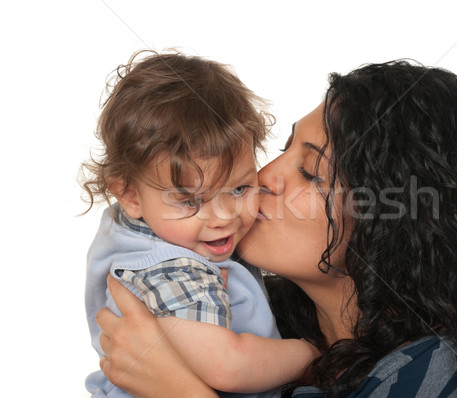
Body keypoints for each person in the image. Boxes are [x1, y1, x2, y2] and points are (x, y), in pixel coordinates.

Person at [95, 60, 457, 397]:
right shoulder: (253, 322)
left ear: (392, 222)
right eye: (284, 148)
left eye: (310, 171)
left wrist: (179, 390)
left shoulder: (442, 374)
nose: (264, 177)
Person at [81, 50, 318, 398]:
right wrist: (313, 355)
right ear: (129, 196)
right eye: (191, 200)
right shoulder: (173, 269)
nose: (224, 217)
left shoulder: (145, 223)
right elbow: (228, 366)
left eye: (239, 188)